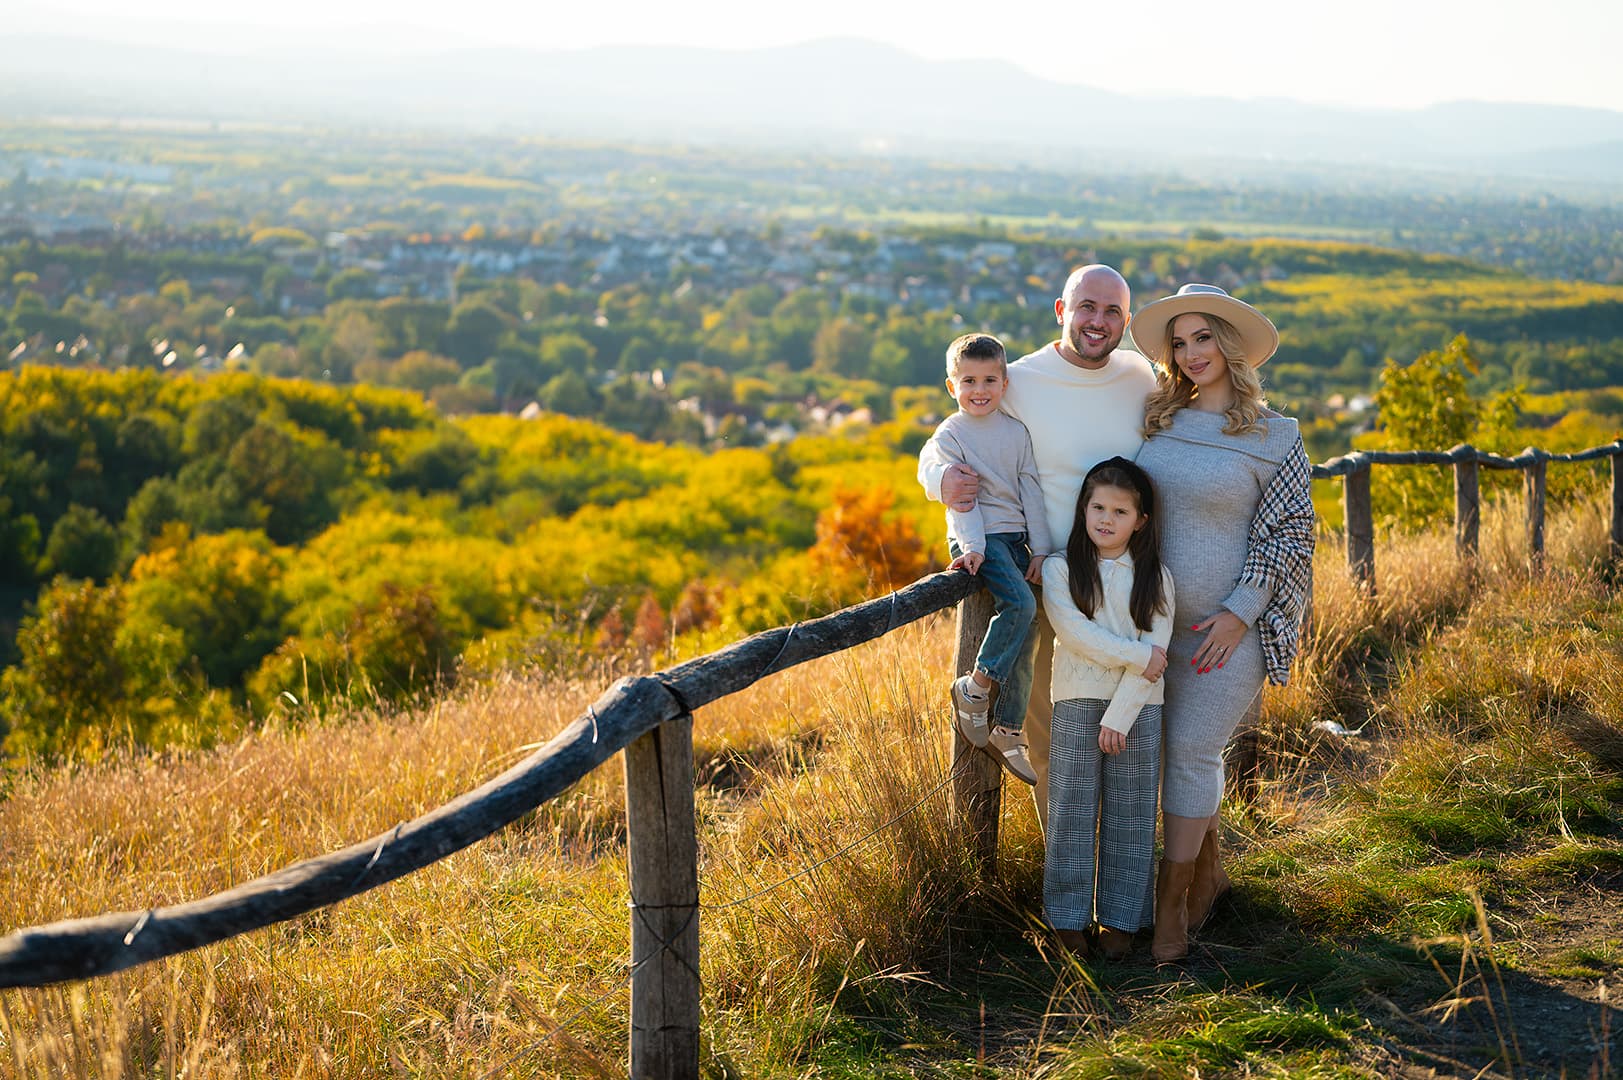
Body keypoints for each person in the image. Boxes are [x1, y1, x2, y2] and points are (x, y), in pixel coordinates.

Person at [919, 265, 1157, 826]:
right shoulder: (1018, 380)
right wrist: (939, 481)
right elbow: (946, 441)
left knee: (1131, 729)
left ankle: (1124, 875)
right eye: (1087, 307)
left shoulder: (1139, 377)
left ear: (1126, 319)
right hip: (1045, 578)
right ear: (1061, 310)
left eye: (1113, 311)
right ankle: (1066, 888)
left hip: (1126, 583)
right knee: (1052, 738)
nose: (1098, 322)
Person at [1130, 284, 1315, 963]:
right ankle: (1206, 874)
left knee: (1190, 751)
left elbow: (1292, 533)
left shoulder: (1276, 435)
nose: (1189, 353)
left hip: (1227, 630)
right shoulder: (1156, 421)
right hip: (1150, 630)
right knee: (1166, 755)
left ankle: (1171, 907)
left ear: (1229, 345)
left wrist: (1240, 612)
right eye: (1178, 343)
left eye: (1202, 337)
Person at [1041, 457, 1175, 960]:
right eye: (1098, 507)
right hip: (1075, 699)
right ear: (1083, 508)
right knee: (1070, 809)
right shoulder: (1060, 569)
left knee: (1132, 811)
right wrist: (1140, 656)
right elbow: (1076, 635)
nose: (1106, 519)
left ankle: (1122, 921)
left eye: (1120, 511)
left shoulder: (1156, 576)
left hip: (1138, 708)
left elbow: (1158, 650)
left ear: (1139, 521)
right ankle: (1067, 921)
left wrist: (1119, 716)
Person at [921, 333, 1052, 783]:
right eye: (969, 380)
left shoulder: (1016, 433)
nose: (980, 390)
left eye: (990, 379)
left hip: (1014, 540)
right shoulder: (951, 434)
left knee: (1029, 624)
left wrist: (1042, 548)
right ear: (951, 385)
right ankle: (975, 687)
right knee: (1021, 606)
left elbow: (1031, 491)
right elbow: (962, 499)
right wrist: (973, 547)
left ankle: (1008, 728)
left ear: (1004, 381)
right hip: (981, 537)